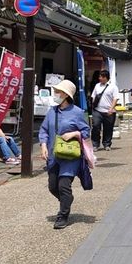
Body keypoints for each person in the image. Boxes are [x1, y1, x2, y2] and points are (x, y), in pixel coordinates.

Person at [39, 79, 90, 230]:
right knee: (52, 186)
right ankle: (66, 201)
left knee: (63, 186)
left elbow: (86, 131)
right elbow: (43, 130)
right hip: (54, 155)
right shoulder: (51, 111)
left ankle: (63, 215)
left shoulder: (78, 112)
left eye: (58, 92)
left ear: (66, 95)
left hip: (70, 155)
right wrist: (43, 145)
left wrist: (74, 133)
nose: (55, 94)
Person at [90, 70, 119, 152]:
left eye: (102, 77)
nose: (100, 78)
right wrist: (93, 105)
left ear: (107, 78)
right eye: (100, 77)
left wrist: (111, 108)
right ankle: (95, 144)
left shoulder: (113, 87)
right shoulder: (97, 86)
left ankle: (107, 144)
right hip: (97, 110)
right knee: (95, 126)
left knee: (108, 128)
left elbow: (115, 98)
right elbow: (93, 96)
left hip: (109, 111)